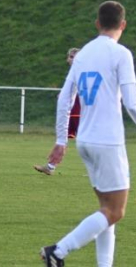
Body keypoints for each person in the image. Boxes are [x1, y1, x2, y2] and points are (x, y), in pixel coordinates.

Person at [40, 1, 136, 267]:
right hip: (108, 141)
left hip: (85, 140)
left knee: (106, 209)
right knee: (116, 211)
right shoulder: (121, 54)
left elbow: (63, 98)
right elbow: (131, 101)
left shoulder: (82, 54)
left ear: (97, 24)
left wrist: (61, 140)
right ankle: (58, 251)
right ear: (123, 25)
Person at [35, 47, 81, 175]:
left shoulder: (82, 70)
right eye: (69, 57)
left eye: (72, 57)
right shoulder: (75, 71)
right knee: (65, 139)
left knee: (87, 141)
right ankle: (50, 167)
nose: (68, 60)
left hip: (78, 110)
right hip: (71, 109)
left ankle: (101, 169)